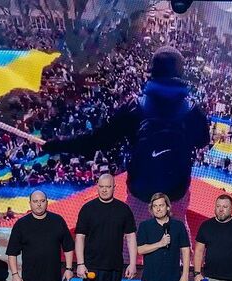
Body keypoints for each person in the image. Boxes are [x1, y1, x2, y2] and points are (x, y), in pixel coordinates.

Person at [42, 46, 210, 228]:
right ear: (181, 73)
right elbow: (203, 140)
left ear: (152, 73)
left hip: (141, 196)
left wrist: (57, 145)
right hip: (175, 196)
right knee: (176, 236)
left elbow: (96, 140)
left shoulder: (134, 107)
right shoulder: (193, 111)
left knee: (132, 240)